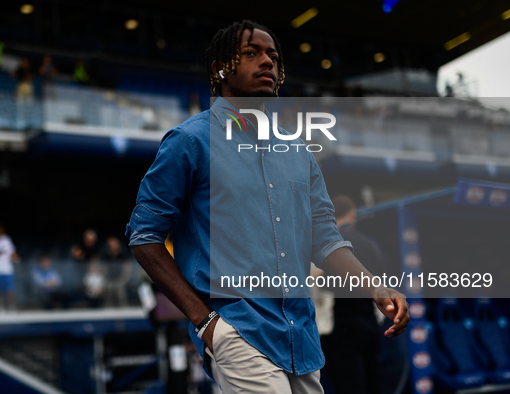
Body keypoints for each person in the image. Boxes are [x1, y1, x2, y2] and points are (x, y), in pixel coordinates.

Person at [125, 20, 409, 393]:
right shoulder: (189, 142)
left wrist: (373, 287)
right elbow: (144, 236)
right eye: (250, 53)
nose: (266, 62)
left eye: (273, 55)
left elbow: (324, 238)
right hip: (238, 330)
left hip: (301, 337)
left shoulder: (298, 152)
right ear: (219, 69)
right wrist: (206, 322)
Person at [324, 195, 385, 394]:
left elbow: (325, 280)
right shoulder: (372, 244)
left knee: (349, 384)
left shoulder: (333, 245)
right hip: (371, 322)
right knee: (373, 382)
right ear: (353, 214)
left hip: (346, 322)